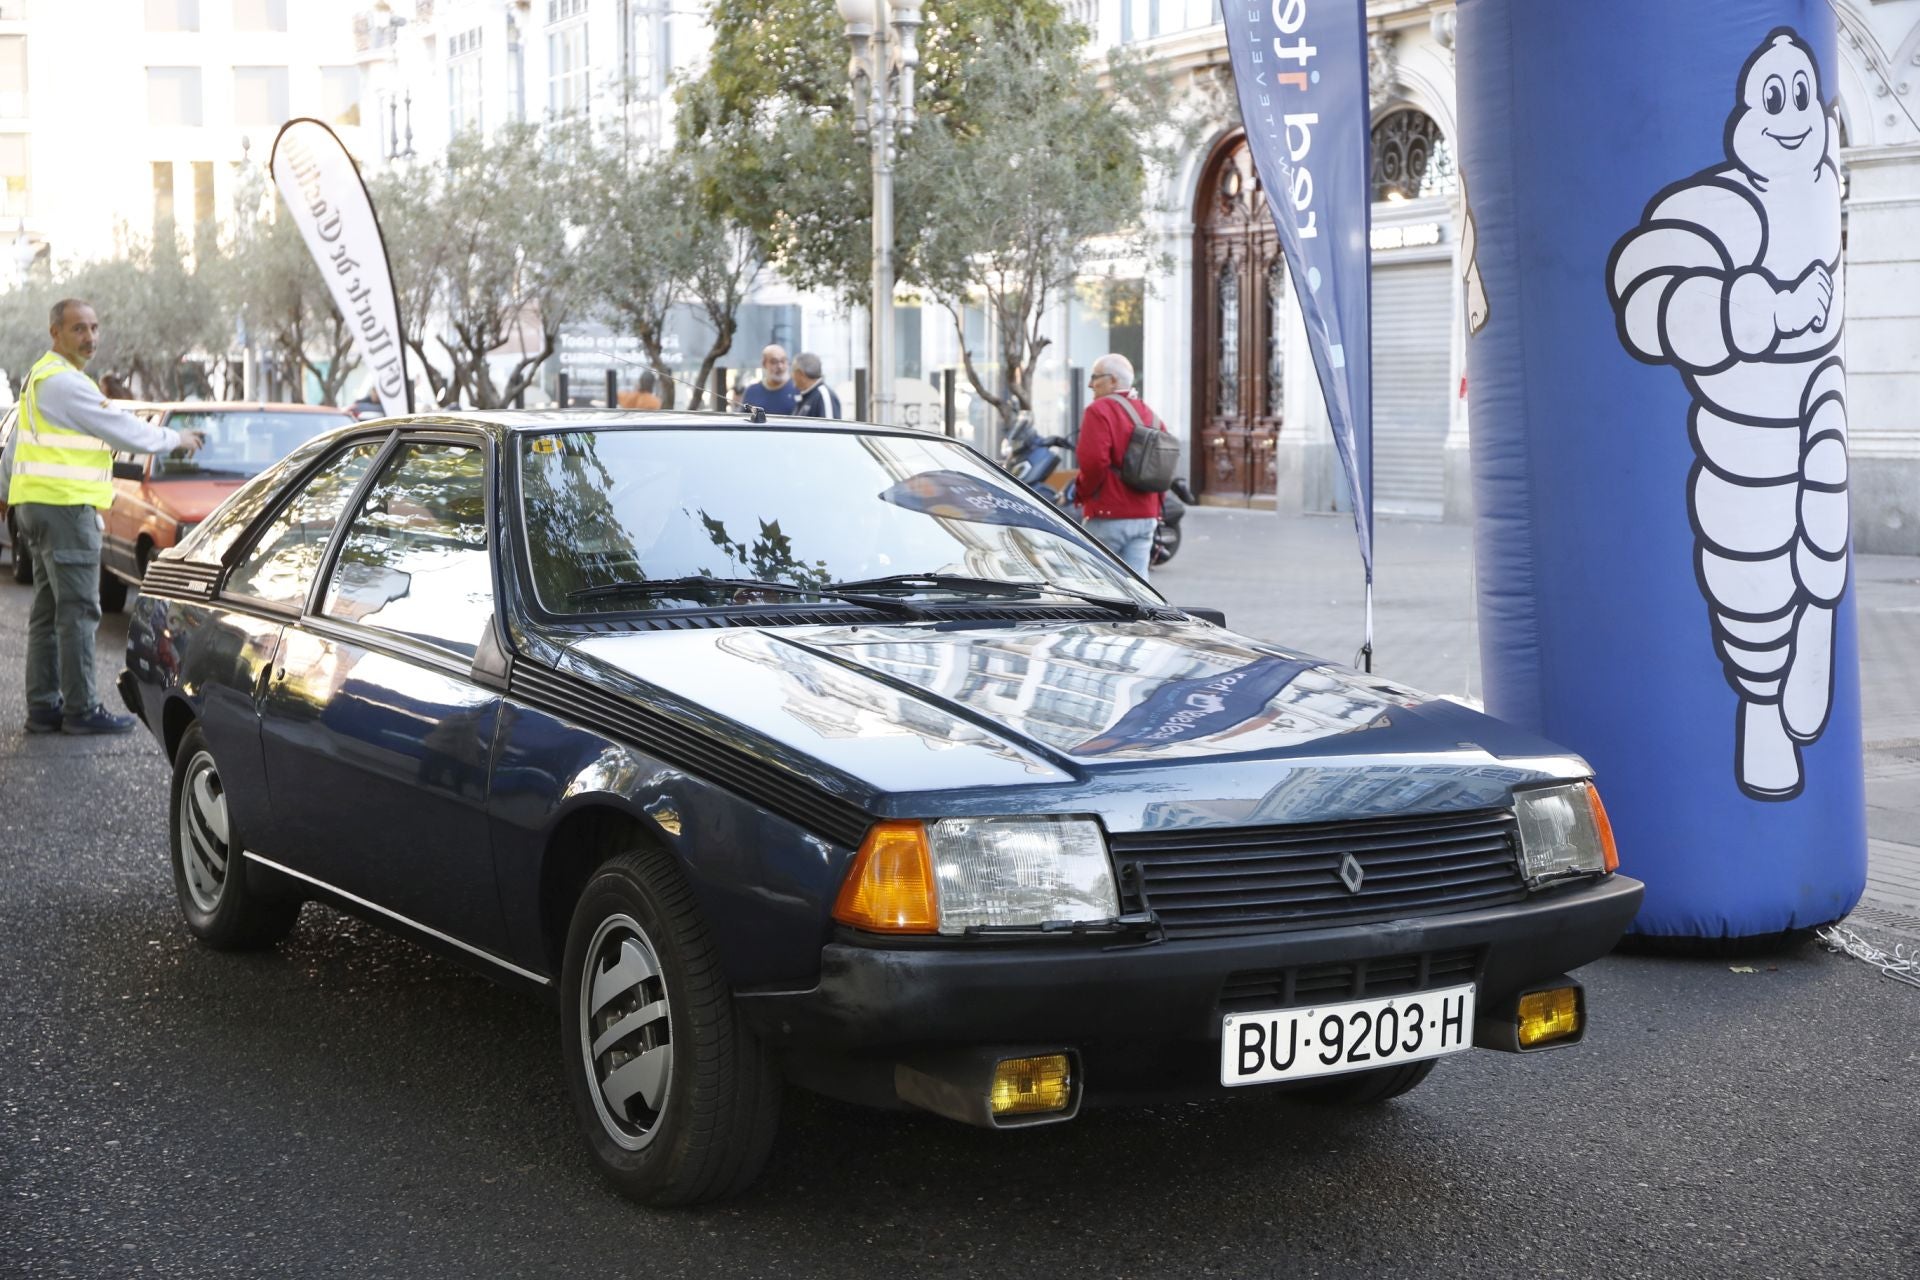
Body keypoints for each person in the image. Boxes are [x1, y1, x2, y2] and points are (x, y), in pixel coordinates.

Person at [3, 299, 204, 733]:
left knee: (48, 611)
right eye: (78, 329)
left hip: (37, 508)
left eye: (95, 327)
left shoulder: (42, 377)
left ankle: (43, 708)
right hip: (65, 509)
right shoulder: (67, 383)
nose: (90, 337)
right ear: (55, 332)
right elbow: (122, 428)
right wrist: (176, 438)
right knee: (78, 612)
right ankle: (81, 710)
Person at [1074, 353, 1166, 580]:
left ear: (1113, 380)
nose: (1089, 384)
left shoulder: (1099, 411)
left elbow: (1094, 462)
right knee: (1138, 591)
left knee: (1093, 586)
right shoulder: (1150, 415)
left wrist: (1082, 494)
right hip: (1146, 515)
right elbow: (1163, 467)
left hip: (1109, 514)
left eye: (1095, 377)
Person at [739, 344, 800, 416]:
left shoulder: (798, 389)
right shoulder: (752, 391)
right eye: (774, 362)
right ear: (764, 364)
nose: (780, 366)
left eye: (783, 361)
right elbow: (743, 421)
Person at [791, 352, 841, 419]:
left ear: (801, 374)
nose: (791, 375)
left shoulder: (824, 395)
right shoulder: (806, 396)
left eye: (793, 371)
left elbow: (830, 427)